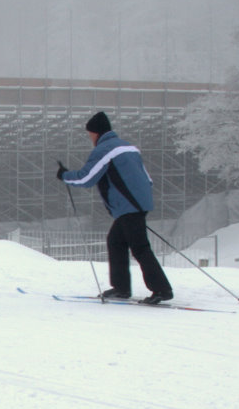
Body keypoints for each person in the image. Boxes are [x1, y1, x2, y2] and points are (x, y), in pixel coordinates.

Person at [57, 111, 173, 304]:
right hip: (136, 204)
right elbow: (147, 178)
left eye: (89, 135)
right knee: (115, 241)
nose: (90, 138)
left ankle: (162, 290)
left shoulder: (105, 150)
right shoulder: (129, 147)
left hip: (128, 206)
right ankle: (121, 287)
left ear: (96, 132)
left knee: (140, 247)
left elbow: (87, 178)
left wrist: (64, 175)